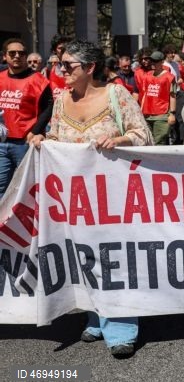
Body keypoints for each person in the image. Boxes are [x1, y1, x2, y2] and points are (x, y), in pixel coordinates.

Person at [29, 39, 153, 357]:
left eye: (67, 65)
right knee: (83, 257)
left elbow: (143, 135)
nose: (61, 70)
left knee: (116, 257)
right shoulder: (60, 101)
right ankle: (94, 315)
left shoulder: (116, 95)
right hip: (75, 199)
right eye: (61, 64)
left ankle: (122, 325)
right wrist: (43, 139)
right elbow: (56, 137)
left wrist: (120, 138)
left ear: (89, 67)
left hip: (114, 197)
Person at [0, 38, 54, 196]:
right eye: (12, 53)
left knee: (27, 189)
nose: (17, 56)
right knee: (1, 188)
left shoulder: (38, 80)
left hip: (25, 143)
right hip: (2, 143)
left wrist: (35, 131)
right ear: (5, 56)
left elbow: (49, 107)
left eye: (21, 53)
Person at [136, 50, 176, 145]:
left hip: (161, 115)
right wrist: (141, 111)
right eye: (152, 61)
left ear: (162, 62)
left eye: (156, 61)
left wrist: (172, 114)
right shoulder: (147, 75)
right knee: (148, 142)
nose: (153, 63)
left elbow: (173, 96)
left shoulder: (169, 77)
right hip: (147, 115)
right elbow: (145, 95)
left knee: (159, 143)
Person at [47, 34, 70, 99]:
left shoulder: (76, 67)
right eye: (60, 48)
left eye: (66, 47)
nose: (64, 50)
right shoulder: (50, 70)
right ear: (54, 51)